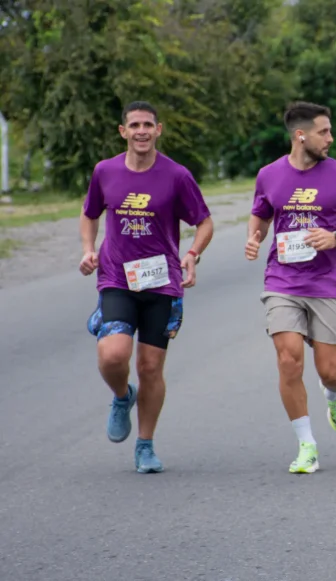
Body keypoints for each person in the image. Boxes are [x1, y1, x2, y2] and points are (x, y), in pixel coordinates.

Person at [80, 101, 214, 473]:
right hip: (117, 278)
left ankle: (145, 446)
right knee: (113, 355)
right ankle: (123, 396)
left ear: (159, 130)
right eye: (134, 125)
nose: (141, 131)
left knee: (151, 366)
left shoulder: (176, 175)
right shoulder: (105, 171)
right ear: (123, 131)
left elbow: (204, 222)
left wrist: (192, 254)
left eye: (148, 125)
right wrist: (89, 250)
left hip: (161, 282)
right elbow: (90, 213)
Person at [244, 101, 336, 474]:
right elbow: (261, 213)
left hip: (327, 282)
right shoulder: (269, 175)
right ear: (300, 136)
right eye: (324, 132)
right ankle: (307, 445)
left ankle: (333, 397)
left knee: (331, 371)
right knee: (288, 359)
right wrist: (254, 239)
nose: (330, 138)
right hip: (282, 280)